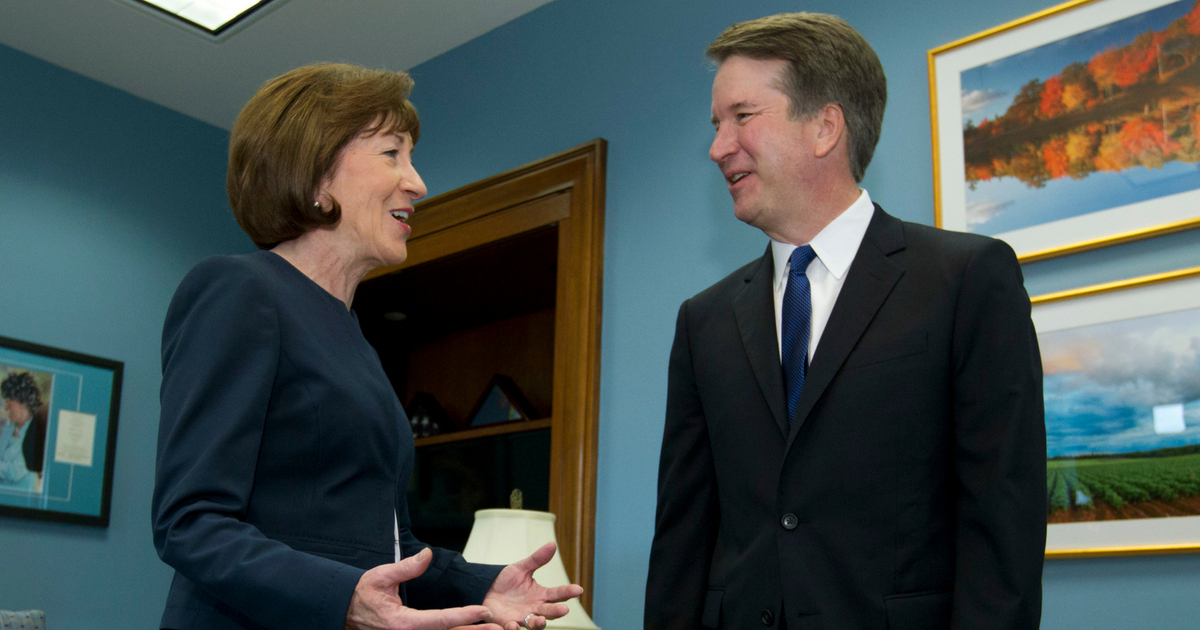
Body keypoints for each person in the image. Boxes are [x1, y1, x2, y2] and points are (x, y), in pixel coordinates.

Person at [645, 13, 1046, 630]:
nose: (718, 147)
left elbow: (1003, 524)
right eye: (716, 124)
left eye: (742, 117)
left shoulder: (966, 279)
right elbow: (682, 541)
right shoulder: (704, 322)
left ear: (825, 126)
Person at [152, 63, 581, 630]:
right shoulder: (240, 291)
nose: (418, 182)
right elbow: (190, 521)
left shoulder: (351, 336)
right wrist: (341, 597)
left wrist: (481, 583)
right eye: (391, 154)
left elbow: (382, 546)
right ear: (315, 175)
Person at [1, 371, 45, 491]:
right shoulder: (8, 428)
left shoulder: (36, 433)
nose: (6, 407)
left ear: (24, 402)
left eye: (10, 401)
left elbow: (15, 472)